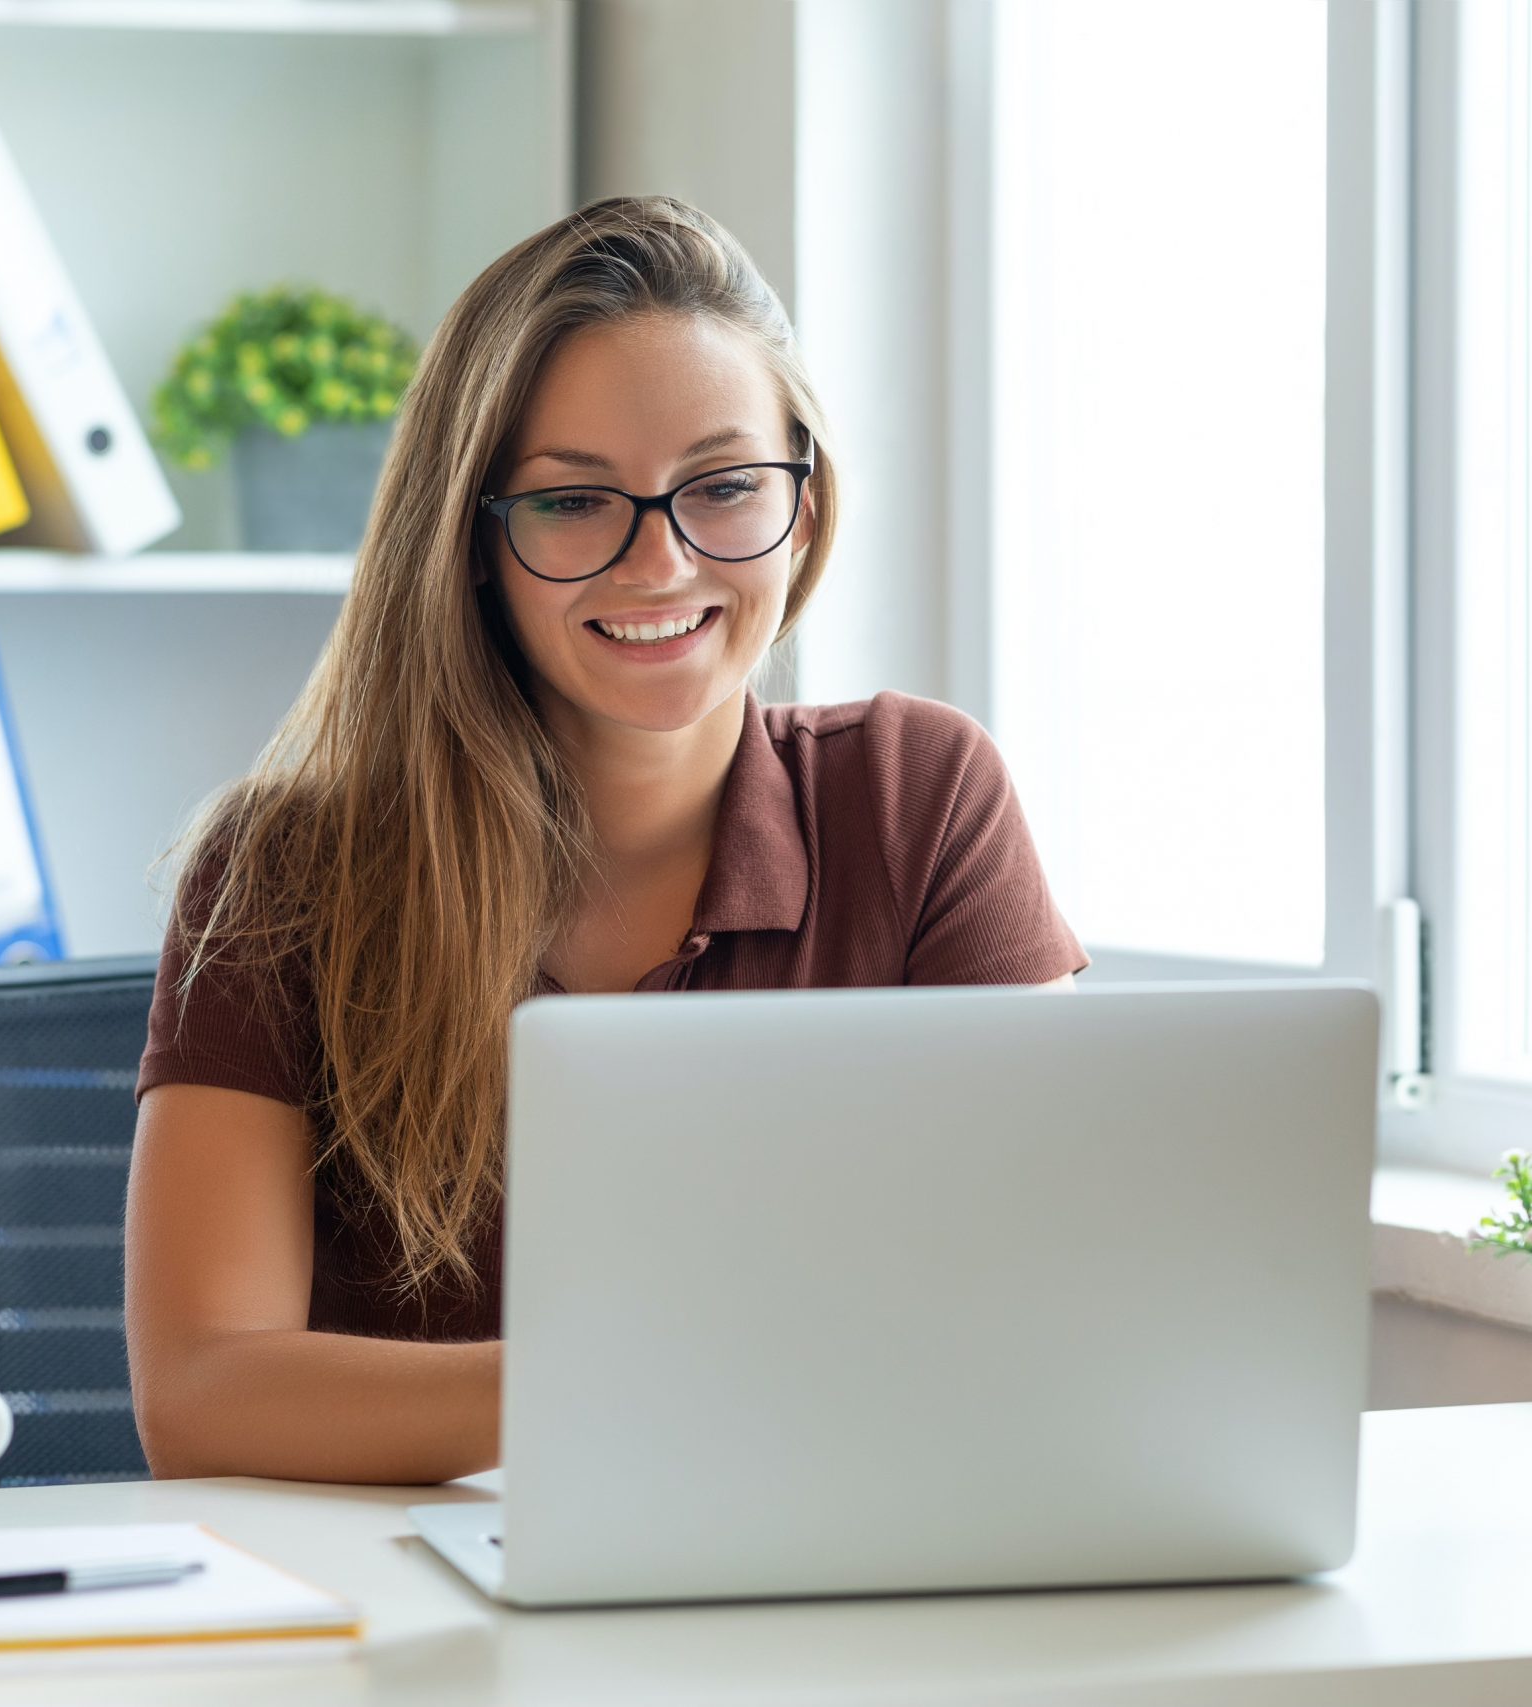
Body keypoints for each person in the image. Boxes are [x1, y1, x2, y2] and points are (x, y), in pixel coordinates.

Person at [126, 196, 1086, 1485]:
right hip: (425, 1636)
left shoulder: (921, 798)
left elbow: (1063, 1298)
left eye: (727, 486)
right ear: (474, 542)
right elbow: (203, 1390)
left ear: (802, 502)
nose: (662, 563)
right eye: (577, 502)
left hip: (831, 1578)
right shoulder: (285, 875)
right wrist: (640, 1379)